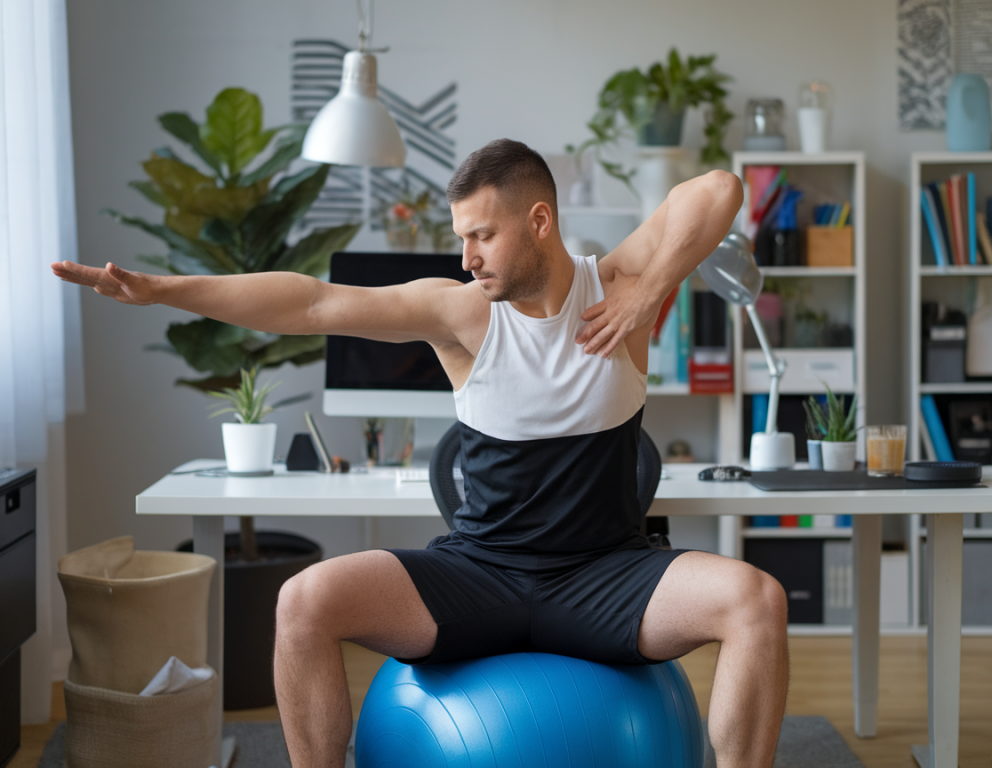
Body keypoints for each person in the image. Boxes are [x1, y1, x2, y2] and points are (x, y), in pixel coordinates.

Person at [52, 138, 788, 768]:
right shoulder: (462, 314)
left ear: (539, 222)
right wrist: (165, 291)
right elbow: (311, 303)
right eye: (461, 237)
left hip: (605, 576)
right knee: (303, 599)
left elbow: (718, 189)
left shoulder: (616, 290)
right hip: (480, 573)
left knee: (757, 601)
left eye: (482, 236)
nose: (466, 257)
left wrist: (650, 292)